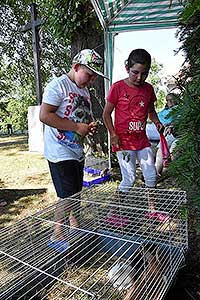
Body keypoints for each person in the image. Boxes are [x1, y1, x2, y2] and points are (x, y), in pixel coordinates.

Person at [39, 49, 108, 252]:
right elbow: (45, 115)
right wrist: (77, 128)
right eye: (89, 74)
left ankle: (75, 225)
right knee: (67, 195)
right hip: (59, 150)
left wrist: (88, 125)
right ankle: (56, 234)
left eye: (95, 76)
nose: (92, 80)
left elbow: (81, 117)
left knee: (76, 191)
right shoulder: (58, 85)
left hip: (76, 149)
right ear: (76, 67)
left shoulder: (84, 91)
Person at [103, 48, 164, 216]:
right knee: (129, 179)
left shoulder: (148, 89)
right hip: (123, 143)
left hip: (142, 141)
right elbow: (106, 114)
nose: (139, 78)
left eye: (144, 74)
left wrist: (157, 122)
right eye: (135, 72)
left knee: (151, 175)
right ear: (127, 68)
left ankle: (152, 210)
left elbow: (151, 111)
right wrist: (113, 134)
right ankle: (113, 212)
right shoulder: (117, 87)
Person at [155, 93, 177, 176]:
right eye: (167, 100)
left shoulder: (180, 109)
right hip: (166, 136)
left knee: (172, 153)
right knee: (160, 152)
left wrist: (171, 125)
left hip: (178, 136)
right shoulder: (164, 112)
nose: (169, 102)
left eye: (171, 99)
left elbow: (179, 120)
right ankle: (156, 173)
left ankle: (166, 174)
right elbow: (158, 119)